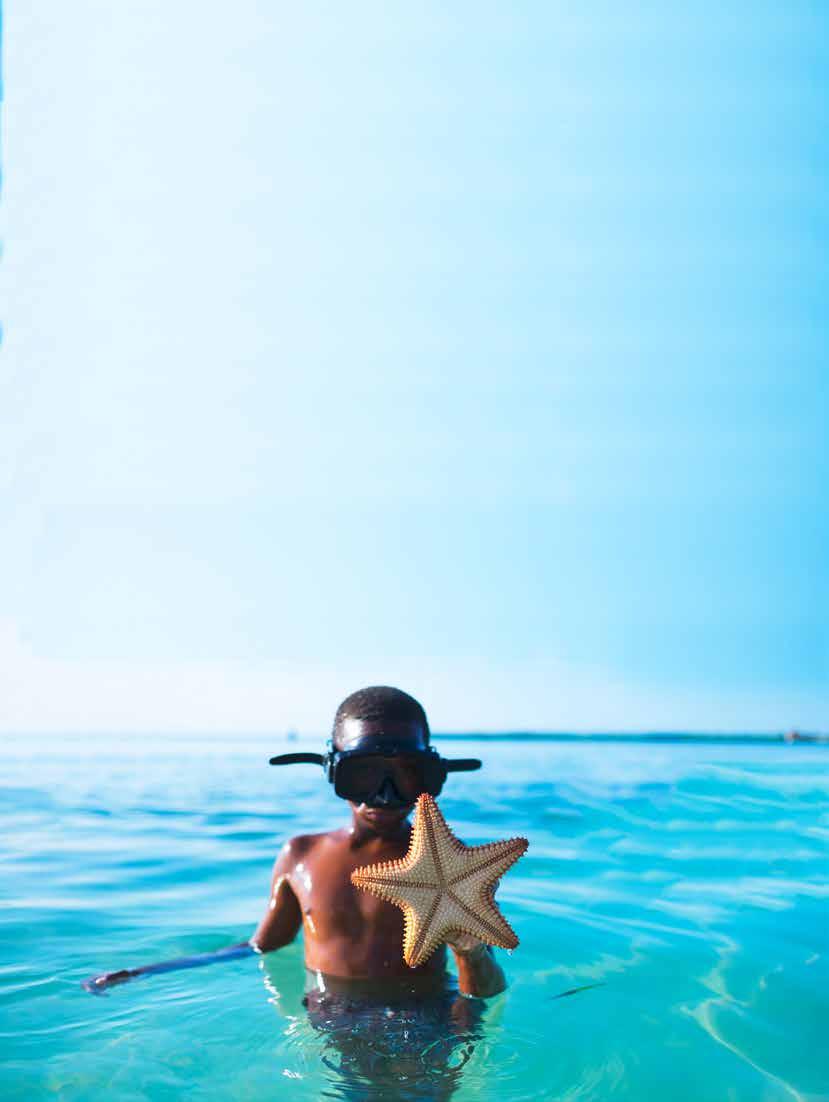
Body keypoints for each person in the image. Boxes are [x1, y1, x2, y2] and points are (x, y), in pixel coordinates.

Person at [254, 685, 506, 999]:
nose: (385, 795)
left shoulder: (458, 868)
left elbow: (488, 990)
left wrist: (471, 950)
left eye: (409, 774)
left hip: (427, 1025)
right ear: (333, 771)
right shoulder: (300, 856)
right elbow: (264, 947)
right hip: (332, 1022)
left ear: (431, 775)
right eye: (362, 774)